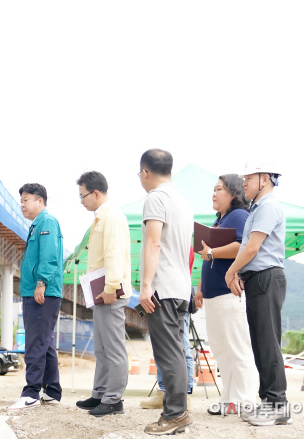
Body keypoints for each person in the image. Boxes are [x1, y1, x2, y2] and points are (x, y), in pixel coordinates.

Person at [225, 162, 289, 426]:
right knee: (261, 342)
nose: (243, 183)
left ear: (265, 178)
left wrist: (231, 271)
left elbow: (252, 248)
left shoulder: (269, 206)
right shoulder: (258, 208)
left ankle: (277, 406)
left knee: (267, 342)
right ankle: (269, 403)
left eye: (248, 178)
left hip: (266, 277)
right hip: (258, 279)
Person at [137, 149, 194, 435]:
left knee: (169, 354)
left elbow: (154, 243)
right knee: (175, 350)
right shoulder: (182, 201)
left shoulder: (156, 198)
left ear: (145, 172)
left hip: (164, 288)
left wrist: (146, 285)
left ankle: (176, 414)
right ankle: (174, 413)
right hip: (181, 286)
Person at [194, 174, 259, 415]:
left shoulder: (239, 215)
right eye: (213, 188)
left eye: (219, 189)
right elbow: (207, 257)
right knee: (221, 350)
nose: (214, 193)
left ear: (233, 193)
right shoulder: (218, 221)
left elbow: (242, 245)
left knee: (237, 348)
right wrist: (200, 287)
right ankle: (229, 398)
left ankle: (245, 399)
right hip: (212, 295)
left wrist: (211, 252)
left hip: (229, 293)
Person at [73, 171, 131, 417]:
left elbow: (114, 254)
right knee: (103, 348)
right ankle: (100, 394)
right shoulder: (101, 217)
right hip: (101, 292)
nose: (81, 201)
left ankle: (113, 399)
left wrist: (110, 288)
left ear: (96, 193)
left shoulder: (112, 217)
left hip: (110, 292)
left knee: (114, 348)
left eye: (83, 195)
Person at [9, 183, 64, 410]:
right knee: (45, 342)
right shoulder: (36, 225)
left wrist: (41, 282)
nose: (22, 204)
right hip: (35, 291)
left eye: (26, 200)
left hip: (42, 291)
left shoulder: (46, 222)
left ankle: (31, 392)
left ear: (40, 201)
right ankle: (52, 391)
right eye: (20, 200)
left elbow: (49, 256)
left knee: (35, 343)